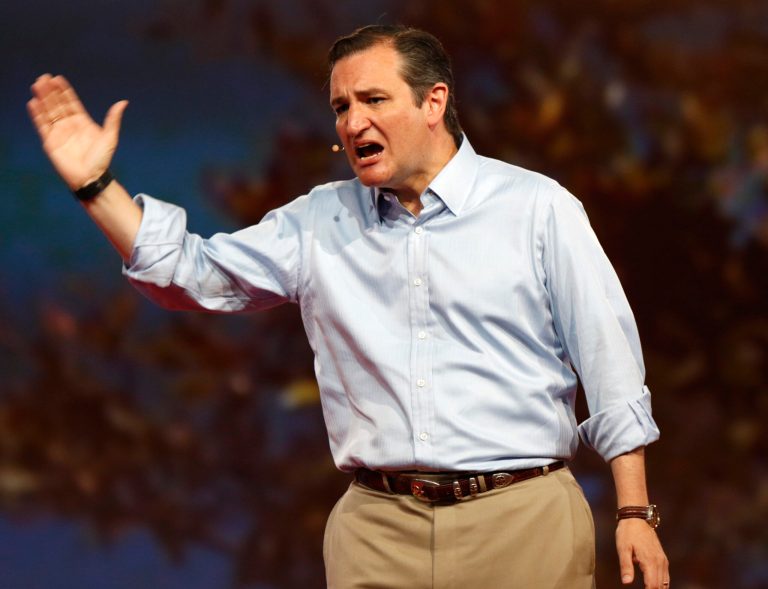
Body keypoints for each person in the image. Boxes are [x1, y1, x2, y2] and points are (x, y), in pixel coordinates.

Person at [28, 24, 669, 589]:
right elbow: (188, 275)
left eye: (373, 100)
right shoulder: (319, 221)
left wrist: (634, 510)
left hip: (521, 520)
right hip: (377, 531)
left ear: (433, 102)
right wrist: (95, 186)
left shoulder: (536, 208)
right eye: (341, 106)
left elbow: (608, 359)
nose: (352, 122)